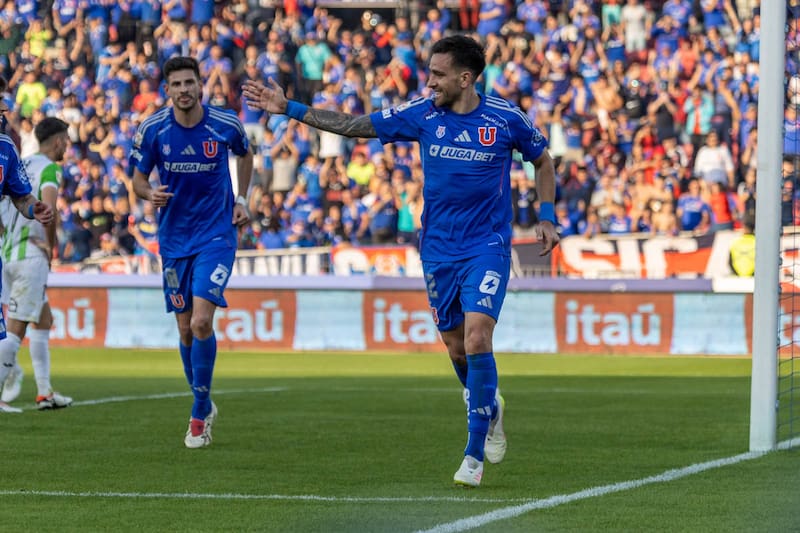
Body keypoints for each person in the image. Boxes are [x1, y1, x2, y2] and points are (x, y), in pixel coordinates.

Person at [243, 34, 560, 487]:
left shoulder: (505, 118)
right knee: (455, 346)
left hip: (487, 246)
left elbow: (543, 162)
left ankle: (473, 456)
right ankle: (489, 404)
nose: (428, 82)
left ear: (465, 79)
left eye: (438, 75)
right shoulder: (422, 114)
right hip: (437, 249)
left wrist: (546, 216)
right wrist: (289, 108)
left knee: (477, 336)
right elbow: (354, 125)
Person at [129, 56, 253, 448]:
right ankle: (204, 399)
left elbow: (245, 154)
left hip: (216, 235)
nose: (184, 90)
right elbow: (137, 179)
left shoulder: (225, 123)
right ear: (167, 90)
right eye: (177, 84)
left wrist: (242, 199)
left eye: (190, 82)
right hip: (173, 240)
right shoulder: (153, 129)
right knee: (184, 329)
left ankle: (199, 414)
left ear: (201, 85)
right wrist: (150, 193)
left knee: (201, 322)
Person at [0, 118, 72, 411]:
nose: (67, 146)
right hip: (31, 255)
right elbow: (49, 210)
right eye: (66, 140)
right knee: (14, 330)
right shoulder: (49, 168)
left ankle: (45, 392)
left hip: (8, 254)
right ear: (57, 141)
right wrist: (50, 247)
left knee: (44, 319)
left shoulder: (18, 162)